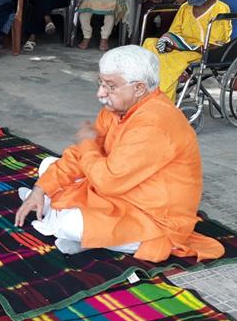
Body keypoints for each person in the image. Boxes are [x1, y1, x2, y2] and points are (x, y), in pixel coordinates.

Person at [15, 45, 225, 263]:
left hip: (151, 216)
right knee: (49, 165)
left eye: (110, 86)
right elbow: (81, 155)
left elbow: (107, 180)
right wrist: (40, 189)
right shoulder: (117, 109)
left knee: (71, 225)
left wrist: (87, 144)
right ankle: (59, 214)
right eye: (101, 83)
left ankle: (67, 222)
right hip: (118, 192)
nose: (101, 93)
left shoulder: (155, 124)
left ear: (139, 88)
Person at [141, 0, 232, 102]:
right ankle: (144, 89)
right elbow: (173, 31)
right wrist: (169, 41)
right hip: (179, 45)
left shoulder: (220, 10)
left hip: (200, 51)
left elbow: (217, 45)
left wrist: (181, 46)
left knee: (170, 60)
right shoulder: (185, 7)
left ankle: (161, 101)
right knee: (150, 43)